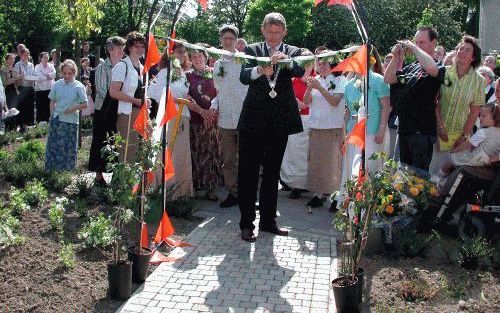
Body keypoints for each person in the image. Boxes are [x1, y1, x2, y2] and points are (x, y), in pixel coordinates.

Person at [238, 12, 304, 242]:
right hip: (253, 121)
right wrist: (260, 70)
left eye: (278, 32)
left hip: (278, 122)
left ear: (284, 32)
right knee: (248, 172)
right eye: (270, 32)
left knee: (272, 173)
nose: (274, 37)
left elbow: (300, 70)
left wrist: (284, 60)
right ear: (263, 31)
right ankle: (246, 224)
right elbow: (244, 76)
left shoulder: (292, 51)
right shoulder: (252, 50)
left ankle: (268, 221)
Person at [384, 26, 445, 175]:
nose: (417, 46)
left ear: (433, 43)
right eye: (416, 42)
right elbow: (389, 78)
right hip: (405, 129)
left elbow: (431, 69)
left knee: (418, 178)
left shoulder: (438, 65)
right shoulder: (411, 68)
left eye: (421, 42)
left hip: (422, 132)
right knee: (403, 176)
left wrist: (413, 47)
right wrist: (396, 57)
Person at [148, 42, 197, 200]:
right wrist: (174, 99)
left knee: (181, 154)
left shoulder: (182, 73)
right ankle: (166, 192)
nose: (181, 54)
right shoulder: (165, 72)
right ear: (170, 53)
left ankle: (181, 192)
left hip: (183, 115)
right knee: (168, 153)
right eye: (177, 51)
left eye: (183, 52)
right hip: (169, 115)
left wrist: (186, 98)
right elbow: (153, 91)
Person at [430, 36, 484, 175]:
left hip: (458, 137)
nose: (462, 52)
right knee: (431, 170)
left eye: (467, 50)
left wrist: (464, 136)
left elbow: (474, 112)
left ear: (473, 57)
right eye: (460, 48)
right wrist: (440, 127)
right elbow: (433, 100)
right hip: (437, 131)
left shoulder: (479, 81)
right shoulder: (443, 72)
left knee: (447, 174)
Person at [303, 48, 347, 209]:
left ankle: (336, 197)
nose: (321, 67)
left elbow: (335, 101)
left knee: (333, 163)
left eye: (325, 64)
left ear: (333, 64)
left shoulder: (341, 81)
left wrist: (320, 88)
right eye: (319, 64)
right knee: (316, 162)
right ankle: (318, 194)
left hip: (332, 127)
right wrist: (310, 87)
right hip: (316, 126)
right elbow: (306, 101)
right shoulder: (316, 79)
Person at [211, 25, 249, 208]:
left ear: (236, 40)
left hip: (244, 117)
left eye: (231, 38)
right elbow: (218, 91)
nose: (227, 41)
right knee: (228, 159)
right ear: (221, 40)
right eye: (225, 38)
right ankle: (233, 192)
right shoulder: (217, 65)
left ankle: (248, 194)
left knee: (247, 158)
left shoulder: (244, 61)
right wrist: (213, 105)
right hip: (225, 118)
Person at [186, 44, 223, 201]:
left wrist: (211, 113)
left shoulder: (215, 73)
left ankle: (211, 186)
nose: (197, 59)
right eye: (193, 56)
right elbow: (187, 97)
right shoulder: (187, 76)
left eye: (200, 56)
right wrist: (202, 112)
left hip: (214, 120)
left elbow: (221, 93)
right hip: (195, 120)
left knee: (213, 153)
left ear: (206, 57)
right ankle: (197, 184)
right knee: (198, 152)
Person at [88, 36, 126, 186]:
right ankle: (99, 176)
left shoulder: (124, 65)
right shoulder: (102, 68)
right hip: (103, 110)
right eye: (119, 48)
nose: (122, 51)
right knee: (100, 141)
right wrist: (122, 95)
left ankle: (117, 174)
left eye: (123, 48)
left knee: (117, 141)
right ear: (110, 50)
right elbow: (103, 90)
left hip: (119, 109)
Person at [280, 49, 314, 199]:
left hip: (311, 119)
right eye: (303, 61)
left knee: (308, 154)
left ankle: (308, 184)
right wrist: (296, 103)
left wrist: (305, 105)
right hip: (295, 119)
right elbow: (285, 95)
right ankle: (296, 185)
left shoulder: (316, 78)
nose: (306, 64)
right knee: (295, 154)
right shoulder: (293, 80)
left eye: (309, 61)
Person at [109, 31, 147, 164]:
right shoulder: (122, 65)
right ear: (129, 47)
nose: (140, 49)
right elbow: (113, 92)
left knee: (142, 150)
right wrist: (135, 100)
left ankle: (138, 183)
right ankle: (124, 183)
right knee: (127, 151)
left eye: (142, 46)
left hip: (141, 113)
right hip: (127, 113)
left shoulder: (142, 68)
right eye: (137, 46)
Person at [45, 59, 87, 171]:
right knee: (54, 144)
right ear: (61, 72)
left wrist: (73, 108)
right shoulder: (57, 84)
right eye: (65, 73)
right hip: (57, 118)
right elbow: (52, 100)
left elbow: (85, 104)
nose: (67, 76)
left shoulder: (79, 86)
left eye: (70, 73)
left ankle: (66, 171)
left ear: (74, 73)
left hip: (71, 120)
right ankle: (51, 170)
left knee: (67, 146)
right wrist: (52, 114)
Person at [445, 104, 500, 169]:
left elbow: (468, 144)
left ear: (494, 118)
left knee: (452, 158)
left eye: (483, 116)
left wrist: (455, 150)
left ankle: (440, 175)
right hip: (487, 162)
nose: (480, 118)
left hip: (476, 159)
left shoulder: (484, 132)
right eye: (480, 115)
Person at [13, 47, 36, 131]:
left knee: (30, 107)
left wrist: (33, 78)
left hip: (30, 87)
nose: (26, 56)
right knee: (22, 107)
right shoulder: (17, 65)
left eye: (27, 54)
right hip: (21, 88)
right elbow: (15, 77)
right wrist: (20, 77)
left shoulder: (31, 64)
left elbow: (33, 75)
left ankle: (29, 125)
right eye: (25, 55)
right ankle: (22, 125)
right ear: (21, 55)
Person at [34, 52, 56, 123]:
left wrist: (45, 75)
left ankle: (48, 122)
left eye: (47, 57)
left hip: (50, 89)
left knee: (48, 107)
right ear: (41, 58)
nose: (46, 59)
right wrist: (48, 76)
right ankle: (39, 123)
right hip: (40, 90)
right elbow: (39, 77)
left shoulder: (51, 66)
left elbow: (54, 74)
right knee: (40, 107)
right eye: (44, 57)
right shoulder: (37, 66)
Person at [0, 53, 20, 123]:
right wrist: (15, 78)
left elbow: (17, 85)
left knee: (14, 109)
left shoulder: (15, 70)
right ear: (6, 60)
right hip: (6, 92)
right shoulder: (2, 70)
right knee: (7, 110)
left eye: (13, 59)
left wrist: (19, 79)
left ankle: (13, 128)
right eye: (10, 59)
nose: (12, 60)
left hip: (14, 92)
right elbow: (5, 82)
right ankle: (7, 129)